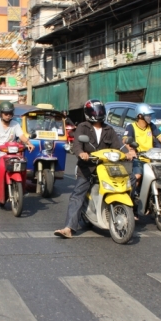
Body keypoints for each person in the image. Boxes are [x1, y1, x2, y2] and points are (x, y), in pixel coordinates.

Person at [54, 99, 136, 238]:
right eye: (95, 111)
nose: (98, 114)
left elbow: (118, 146)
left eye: (100, 111)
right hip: (88, 167)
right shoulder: (83, 127)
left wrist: (128, 153)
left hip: (107, 166)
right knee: (78, 194)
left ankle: (129, 211)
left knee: (131, 179)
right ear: (88, 113)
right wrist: (81, 153)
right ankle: (69, 227)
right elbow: (77, 144)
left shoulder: (108, 129)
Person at [124, 104, 161, 213]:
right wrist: (131, 150)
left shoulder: (151, 126)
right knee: (138, 176)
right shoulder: (131, 127)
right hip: (139, 158)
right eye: (148, 115)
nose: (150, 117)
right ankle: (131, 200)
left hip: (151, 158)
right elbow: (125, 140)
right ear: (140, 116)